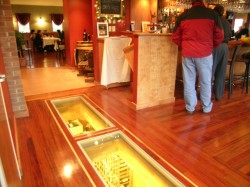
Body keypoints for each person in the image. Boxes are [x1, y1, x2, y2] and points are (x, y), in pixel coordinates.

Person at [172, 0, 223, 114]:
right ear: (203, 1)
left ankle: (190, 107)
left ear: (191, 2)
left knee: (189, 81)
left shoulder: (183, 16)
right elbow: (220, 35)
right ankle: (206, 107)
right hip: (205, 53)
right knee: (205, 81)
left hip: (188, 53)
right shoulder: (212, 14)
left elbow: (175, 37)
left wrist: (185, 45)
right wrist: (210, 46)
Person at [212, 4, 232, 101]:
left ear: (214, 11)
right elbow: (230, 35)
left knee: (210, 71)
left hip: (214, 46)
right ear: (223, 12)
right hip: (225, 47)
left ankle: (206, 95)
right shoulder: (227, 23)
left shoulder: (214, 20)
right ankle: (218, 95)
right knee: (221, 72)